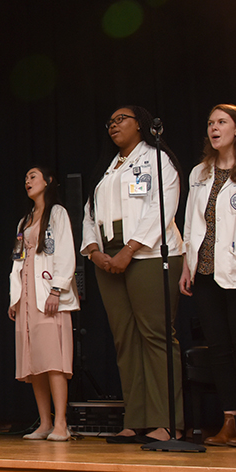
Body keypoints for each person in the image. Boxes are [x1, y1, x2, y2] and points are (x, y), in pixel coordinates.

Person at [80, 105, 184, 444]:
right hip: (108, 256)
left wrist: (129, 251)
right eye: (109, 121)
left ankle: (167, 420)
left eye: (120, 119)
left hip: (149, 253)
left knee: (155, 335)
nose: (113, 125)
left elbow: (162, 206)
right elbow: (89, 213)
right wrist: (95, 252)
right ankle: (137, 418)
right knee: (125, 339)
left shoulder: (156, 159)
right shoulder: (108, 167)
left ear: (140, 124)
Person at [179, 105, 236, 447]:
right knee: (218, 348)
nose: (214, 128)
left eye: (221, 122)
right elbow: (191, 223)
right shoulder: (200, 172)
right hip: (204, 270)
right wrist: (187, 267)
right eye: (210, 123)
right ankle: (230, 420)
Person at [9, 167, 78, 442]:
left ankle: (61, 423)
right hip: (27, 294)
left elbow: (65, 251)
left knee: (53, 360)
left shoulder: (57, 213)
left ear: (48, 182)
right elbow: (16, 260)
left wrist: (57, 289)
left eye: (33, 176)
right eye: (25, 177)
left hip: (48, 293)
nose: (27, 180)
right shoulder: (24, 220)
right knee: (34, 360)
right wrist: (14, 298)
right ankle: (45, 423)